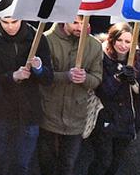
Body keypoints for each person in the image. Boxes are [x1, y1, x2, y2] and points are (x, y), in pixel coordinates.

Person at [37, 17, 101, 175]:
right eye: (75, 22)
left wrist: (86, 79)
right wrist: (66, 76)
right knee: (46, 161)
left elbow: (97, 79)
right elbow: (42, 77)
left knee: (68, 164)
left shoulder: (94, 45)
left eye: (83, 22)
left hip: (76, 116)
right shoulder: (46, 40)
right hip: (49, 113)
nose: (80, 27)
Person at [0, 16, 51, 175]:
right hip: (2, 112)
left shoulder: (37, 37)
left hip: (28, 112)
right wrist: (12, 76)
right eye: (5, 22)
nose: (10, 27)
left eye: (14, 22)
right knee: (0, 161)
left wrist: (39, 68)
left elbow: (48, 79)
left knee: (22, 164)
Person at [86, 22, 140, 175]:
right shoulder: (101, 56)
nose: (123, 45)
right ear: (112, 40)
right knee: (103, 160)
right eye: (119, 40)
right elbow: (102, 91)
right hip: (105, 117)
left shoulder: (139, 60)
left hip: (128, 120)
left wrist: (133, 81)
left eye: (128, 41)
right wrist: (118, 78)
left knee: (116, 162)